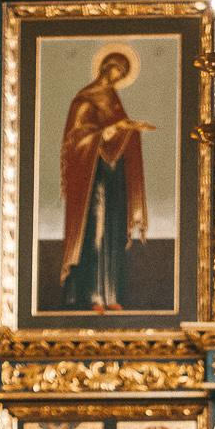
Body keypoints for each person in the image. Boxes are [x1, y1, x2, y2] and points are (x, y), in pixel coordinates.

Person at [58, 50, 151, 312]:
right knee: (95, 234)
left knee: (113, 233)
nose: (116, 77)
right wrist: (109, 131)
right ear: (104, 70)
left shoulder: (113, 101)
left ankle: (111, 295)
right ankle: (92, 296)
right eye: (114, 71)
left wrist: (128, 130)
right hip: (91, 181)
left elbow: (117, 134)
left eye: (121, 74)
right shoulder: (85, 99)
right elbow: (76, 139)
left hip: (112, 178)